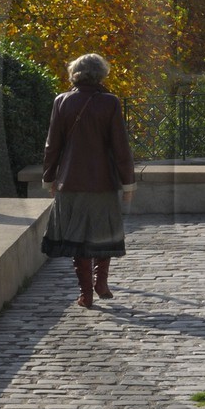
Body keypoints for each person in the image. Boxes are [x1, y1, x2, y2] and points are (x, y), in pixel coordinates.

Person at [41, 52, 136, 307]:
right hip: (103, 182)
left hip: (70, 182)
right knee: (103, 233)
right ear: (101, 74)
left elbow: (53, 145)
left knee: (77, 238)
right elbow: (120, 147)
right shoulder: (110, 103)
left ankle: (86, 294)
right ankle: (101, 282)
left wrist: (49, 178)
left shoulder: (61, 101)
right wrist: (128, 183)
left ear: (75, 73)